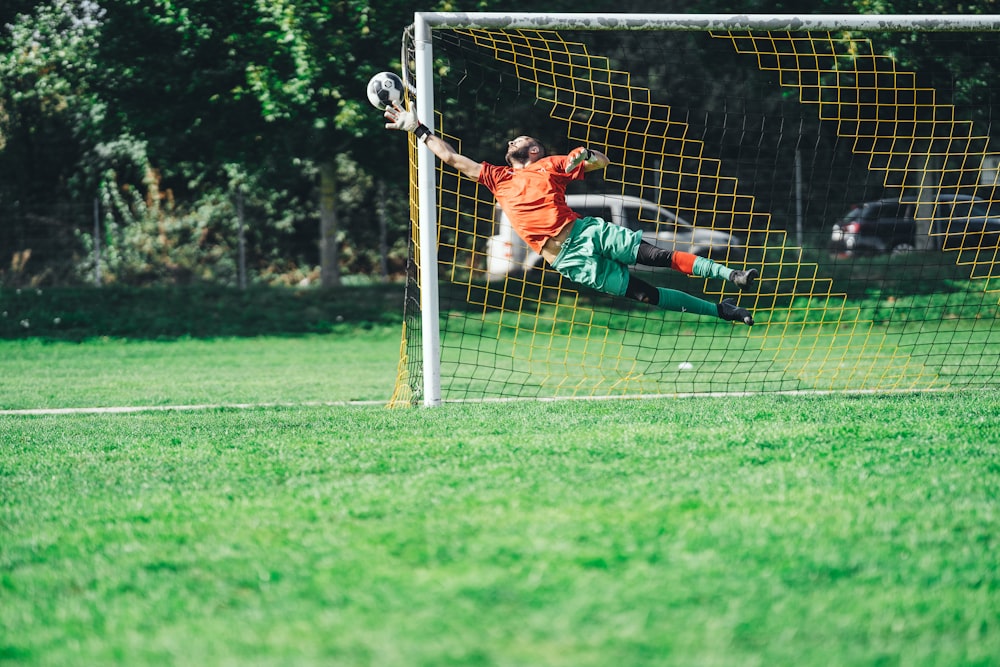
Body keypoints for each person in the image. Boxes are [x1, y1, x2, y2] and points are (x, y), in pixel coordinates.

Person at [384, 103, 759, 326]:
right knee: (646, 295)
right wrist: (416, 128)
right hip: (565, 258)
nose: (514, 141)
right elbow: (451, 158)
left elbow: (600, 161)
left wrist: (586, 156)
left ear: (534, 151)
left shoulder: (549, 164)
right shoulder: (498, 178)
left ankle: (733, 275)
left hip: (585, 232)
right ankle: (721, 310)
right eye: (514, 140)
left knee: (658, 255)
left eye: (522, 140)